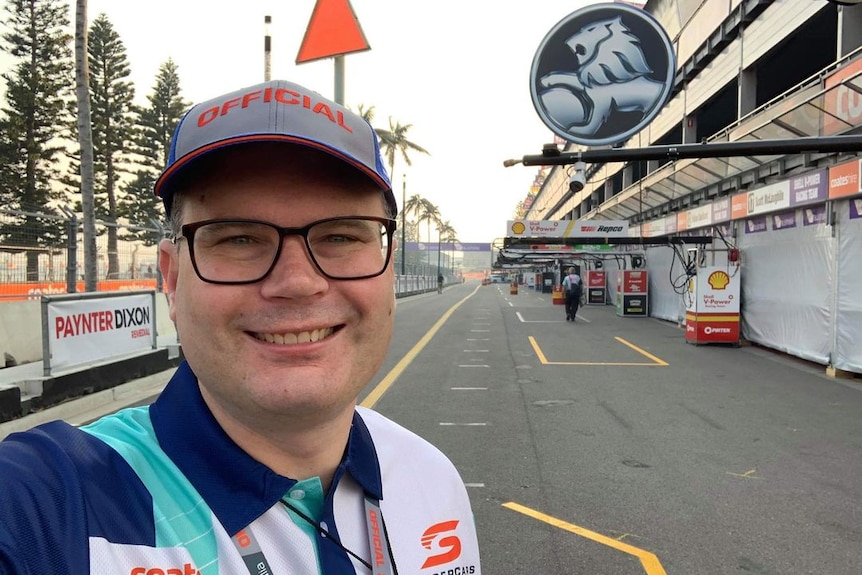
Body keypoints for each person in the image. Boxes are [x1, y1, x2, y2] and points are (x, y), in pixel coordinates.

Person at [0, 80, 482, 575]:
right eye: (238, 239)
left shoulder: (432, 480)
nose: (297, 282)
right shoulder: (48, 505)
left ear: (386, 270)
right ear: (171, 277)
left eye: (340, 235)